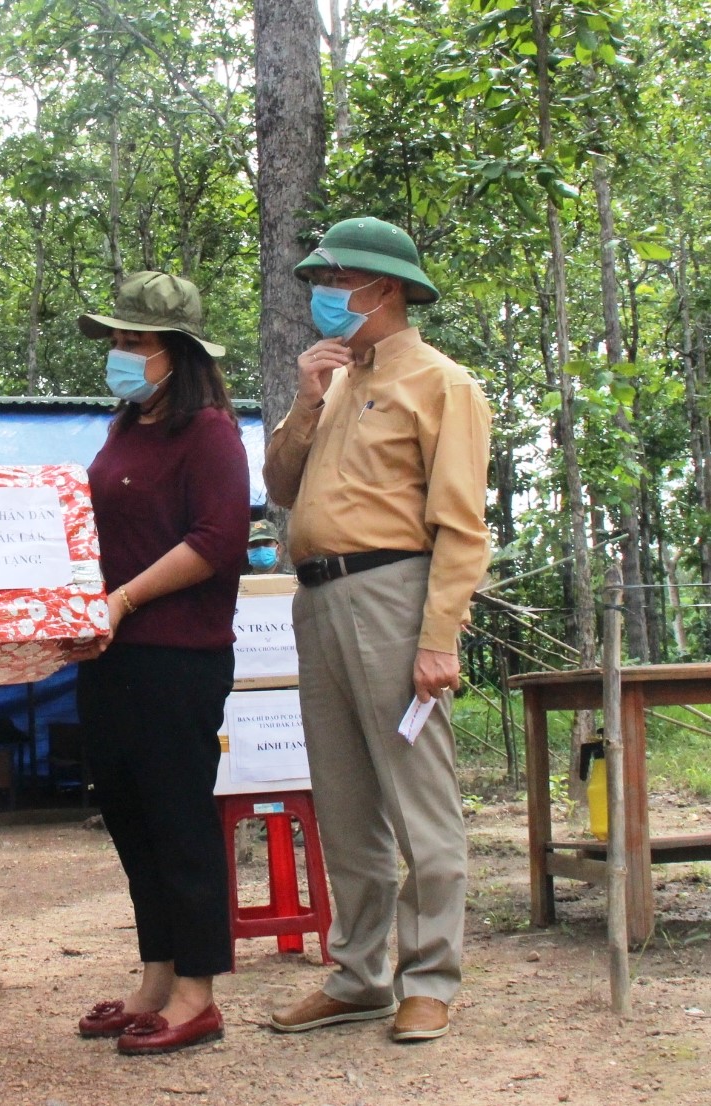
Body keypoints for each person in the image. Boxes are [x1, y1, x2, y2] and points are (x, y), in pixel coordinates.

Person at [263, 216, 491, 1043]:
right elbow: (280, 489)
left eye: (334, 282)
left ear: (382, 287)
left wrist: (439, 637)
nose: (322, 297)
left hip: (394, 595)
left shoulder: (441, 383)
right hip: (316, 599)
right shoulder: (332, 382)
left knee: (416, 798)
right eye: (319, 284)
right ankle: (357, 975)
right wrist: (303, 402)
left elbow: (461, 526)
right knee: (343, 799)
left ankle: (428, 979)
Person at [68, 271, 250, 1056]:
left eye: (134, 341)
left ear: (177, 352)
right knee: (131, 817)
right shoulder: (123, 429)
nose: (119, 352)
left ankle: (197, 993)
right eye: (114, 339)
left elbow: (217, 540)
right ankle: (156, 976)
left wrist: (125, 599)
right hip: (109, 653)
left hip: (177, 658)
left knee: (177, 820)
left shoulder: (209, 432)